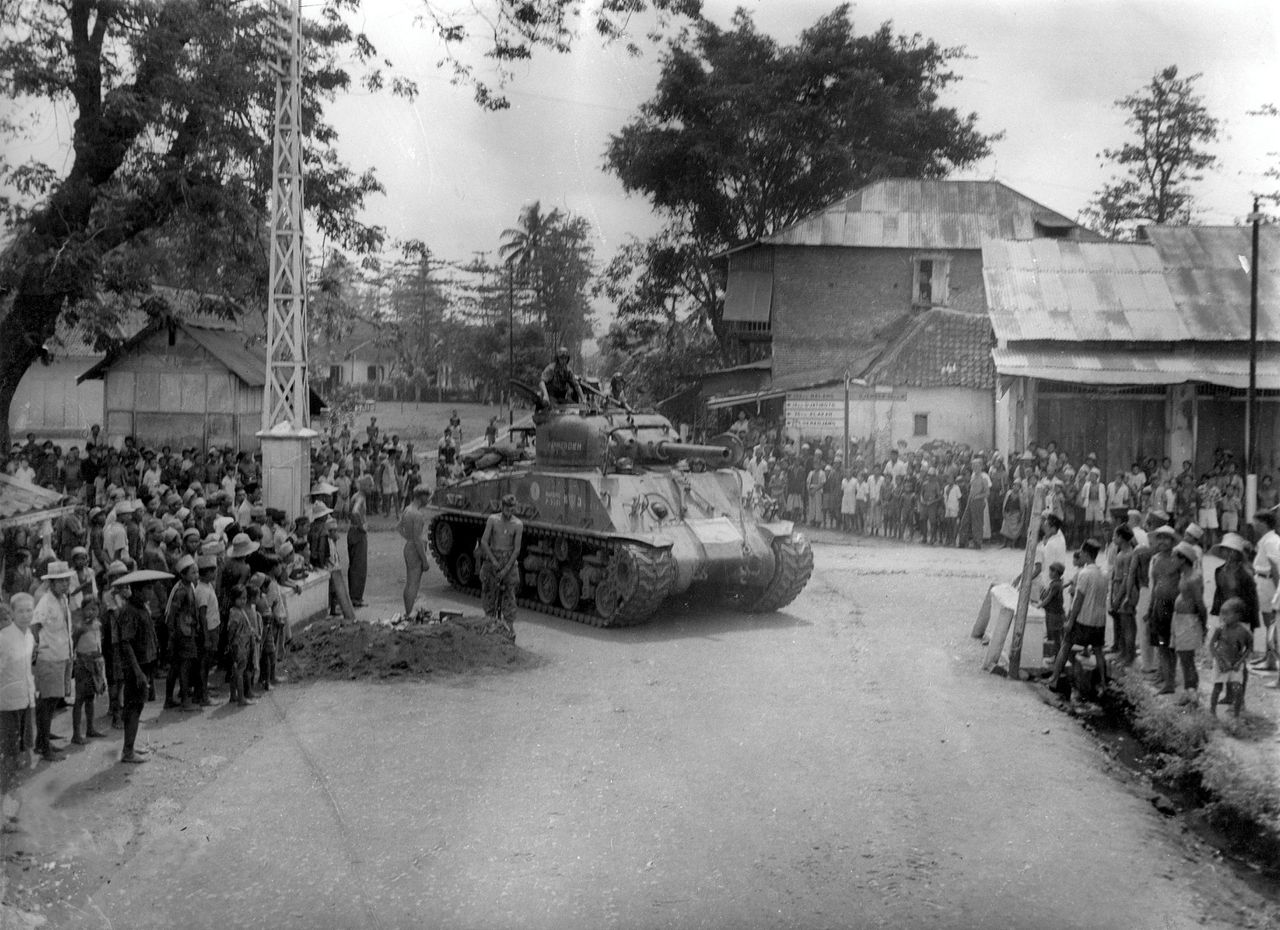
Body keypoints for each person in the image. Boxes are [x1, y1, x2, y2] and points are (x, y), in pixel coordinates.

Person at [1047, 538, 1108, 691]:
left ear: (1086, 553)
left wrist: (1070, 621)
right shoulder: (1104, 574)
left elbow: (1078, 601)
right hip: (1099, 620)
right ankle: (1103, 682)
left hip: (1083, 619)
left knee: (1065, 645)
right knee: (1099, 651)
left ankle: (1054, 678)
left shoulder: (1084, 573)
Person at [31, 560, 75, 762]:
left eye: (66, 580)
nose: (65, 585)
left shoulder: (62, 600)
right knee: (47, 702)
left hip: (61, 655)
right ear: (51, 583)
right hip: (49, 657)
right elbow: (35, 627)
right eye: (60, 581)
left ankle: (43, 740)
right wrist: (40, 647)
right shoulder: (45, 602)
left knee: (52, 701)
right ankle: (43, 745)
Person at [112, 572, 159, 763]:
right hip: (135, 666)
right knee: (133, 707)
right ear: (138, 590)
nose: (151, 592)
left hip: (145, 663)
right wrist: (138, 671)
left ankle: (130, 746)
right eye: (147, 588)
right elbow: (126, 643)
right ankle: (128, 750)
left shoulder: (141, 608)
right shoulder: (130, 611)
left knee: (138, 706)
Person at [1, 596, 37, 817]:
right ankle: (5, 814)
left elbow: (26, 672)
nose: (26, 615)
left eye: (29, 610)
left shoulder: (29, 637)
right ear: (12, 613)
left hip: (25, 703)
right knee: (8, 759)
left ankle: (12, 809)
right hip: (5, 707)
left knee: (22, 758)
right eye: (21, 611)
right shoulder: (4, 639)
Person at [480, 493, 523, 640]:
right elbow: (484, 542)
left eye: (512, 509)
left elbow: (516, 549)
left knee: (509, 595)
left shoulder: (517, 525)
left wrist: (505, 569)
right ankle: (489, 623)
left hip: (508, 561)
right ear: (502, 507)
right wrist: (493, 561)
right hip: (493, 558)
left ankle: (509, 627)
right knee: (489, 592)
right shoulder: (493, 520)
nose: (509, 512)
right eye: (507, 508)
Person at [1169, 540, 1207, 703]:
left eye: (1174, 558)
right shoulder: (1184, 575)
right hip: (1180, 619)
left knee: (1187, 658)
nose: (1172, 561)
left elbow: (1200, 604)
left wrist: (1203, 625)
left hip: (1189, 620)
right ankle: (1189, 689)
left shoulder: (1193, 577)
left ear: (1183, 559)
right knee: (1183, 657)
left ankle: (1192, 691)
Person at [70, 598, 107, 743]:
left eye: (94, 609)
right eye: (88, 609)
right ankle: (76, 734)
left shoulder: (98, 625)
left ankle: (90, 728)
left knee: (91, 697)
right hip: (83, 664)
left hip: (96, 664)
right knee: (79, 699)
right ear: (82, 610)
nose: (91, 612)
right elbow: (72, 644)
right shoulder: (80, 627)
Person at [1208, 598, 1252, 717]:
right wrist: (1219, 661)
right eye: (1222, 613)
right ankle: (1212, 712)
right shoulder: (1220, 630)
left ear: (1237, 616)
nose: (1223, 617)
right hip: (1221, 663)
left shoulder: (1244, 632)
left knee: (1237, 690)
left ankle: (1236, 716)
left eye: (1226, 613)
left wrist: (1240, 662)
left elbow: (1249, 648)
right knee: (1217, 688)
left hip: (1235, 665)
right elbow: (1212, 646)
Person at [398, 486, 432, 614]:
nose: (428, 500)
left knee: (409, 582)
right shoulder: (417, 514)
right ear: (421, 496)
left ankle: (408, 611)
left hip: (409, 546)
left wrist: (409, 538)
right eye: (427, 497)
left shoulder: (407, 509)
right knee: (413, 583)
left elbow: (399, 527)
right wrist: (425, 560)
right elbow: (418, 539)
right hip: (415, 549)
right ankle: (409, 612)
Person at [1108, 525, 1137, 665]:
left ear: (1121, 537)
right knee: (1121, 624)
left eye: (1115, 536)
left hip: (1125, 590)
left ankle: (1129, 656)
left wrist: (1119, 597)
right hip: (1117, 587)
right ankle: (1123, 652)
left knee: (1127, 626)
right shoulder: (1121, 552)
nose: (1113, 538)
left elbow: (1126, 578)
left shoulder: (1128, 554)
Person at [1036, 562, 1067, 656]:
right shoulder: (1056, 583)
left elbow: (1049, 598)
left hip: (1055, 614)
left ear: (1055, 573)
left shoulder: (1055, 585)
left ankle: (1056, 657)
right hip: (1053, 612)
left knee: (1056, 637)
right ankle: (1055, 655)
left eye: (1050, 571)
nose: (1049, 573)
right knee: (1054, 636)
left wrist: (1039, 606)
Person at [347, 478, 368, 607]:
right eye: (370, 485)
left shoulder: (355, 496)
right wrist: (361, 526)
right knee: (359, 566)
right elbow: (355, 512)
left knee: (354, 565)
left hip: (352, 531)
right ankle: (356, 598)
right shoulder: (360, 498)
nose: (372, 488)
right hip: (358, 533)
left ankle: (353, 596)